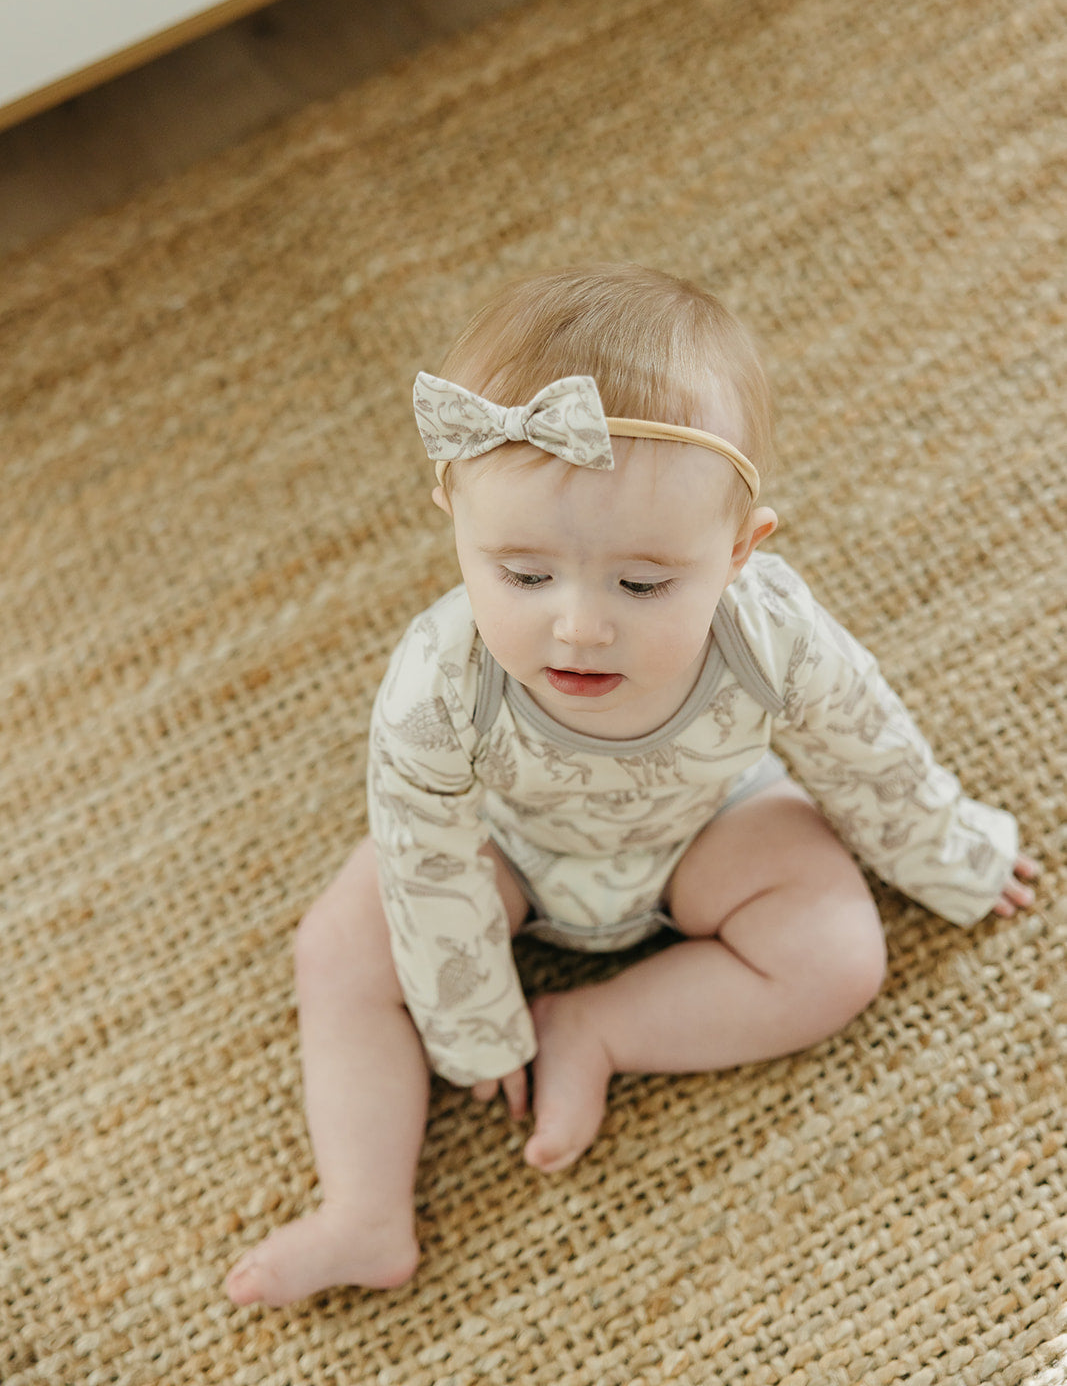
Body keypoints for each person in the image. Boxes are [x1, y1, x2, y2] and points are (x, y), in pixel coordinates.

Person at [225, 264, 1037, 1308]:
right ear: (452, 519)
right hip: (506, 844)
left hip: (708, 824)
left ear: (738, 552)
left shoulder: (768, 633)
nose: (578, 624)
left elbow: (863, 745)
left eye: (643, 584)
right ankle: (364, 1211)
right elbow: (423, 847)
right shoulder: (440, 678)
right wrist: (470, 1016)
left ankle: (603, 1027)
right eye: (523, 575)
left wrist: (946, 851)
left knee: (838, 956)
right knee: (339, 947)